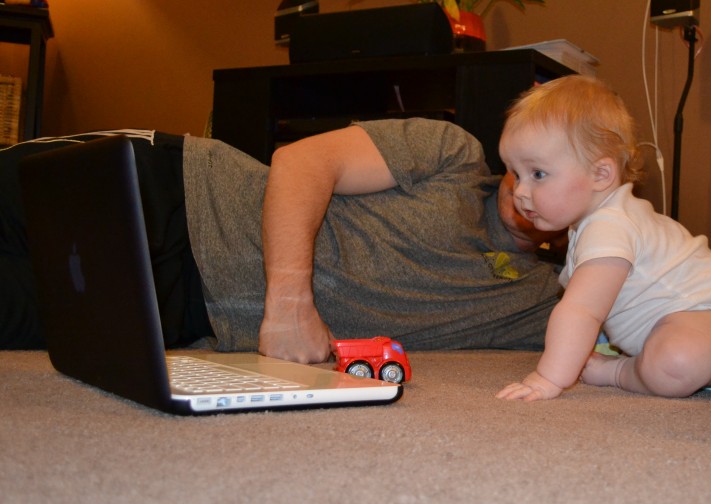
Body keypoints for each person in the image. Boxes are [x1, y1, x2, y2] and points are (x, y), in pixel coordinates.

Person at [0, 119, 567, 359]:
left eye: (553, 173)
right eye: (528, 164)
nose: (528, 187)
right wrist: (291, 304)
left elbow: (653, 297)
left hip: (183, 313)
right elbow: (301, 162)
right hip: (175, 195)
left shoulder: (542, 301)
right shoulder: (453, 155)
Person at [495, 75, 711, 402]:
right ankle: (636, 363)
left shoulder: (610, 224)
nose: (520, 192)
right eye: (516, 174)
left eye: (537, 174)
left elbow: (580, 311)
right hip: (682, 326)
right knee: (666, 353)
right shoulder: (592, 224)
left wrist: (546, 378)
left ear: (600, 175)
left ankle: (619, 372)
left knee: (675, 362)